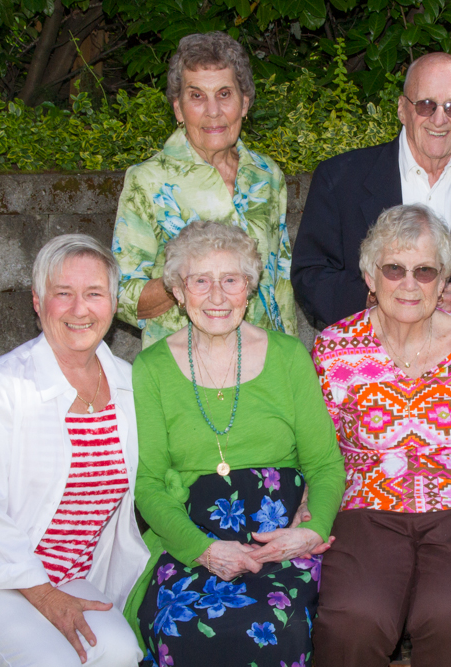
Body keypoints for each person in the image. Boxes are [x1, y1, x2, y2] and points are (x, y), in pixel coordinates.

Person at [0, 234, 150, 667]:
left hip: (70, 577)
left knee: (120, 654)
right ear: (38, 303)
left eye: (94, 294)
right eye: (64, 294)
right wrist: (41, 594)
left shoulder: (129, 385)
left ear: (113, 304)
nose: (80, 309)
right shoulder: (1, 385)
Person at [126, 221, 345, 666]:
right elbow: (147, 484)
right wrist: (203, 549)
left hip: (279, 538)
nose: (217, 296)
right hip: (189, 540)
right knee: (182, 624)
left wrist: (311, 529)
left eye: (231, 279)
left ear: (249, 287)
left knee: (271, 625)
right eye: (200, 281)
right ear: (178, 291)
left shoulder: (288, 357)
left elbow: (324, 464)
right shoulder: (150, 368)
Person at [309, 204, 451, 666]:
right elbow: (321, 451)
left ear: (444, 281)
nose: (408, 283)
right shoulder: (336, 346)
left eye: (424, 271)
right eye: (394, 269)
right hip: (366, 508)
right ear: (369, 275)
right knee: (354, 619)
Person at [291, 52, 451, 336]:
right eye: (426, 105)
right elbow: (310, 276)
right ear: (402, 109)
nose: (440, 119)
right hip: (363, 356)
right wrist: (378, 296)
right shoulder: (340, 179)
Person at [113, 31, 295, 348]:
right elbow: (121, 294)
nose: (213, 111)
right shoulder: (148, 180)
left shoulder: (267, 175)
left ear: (245, 104)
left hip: (262, 361)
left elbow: (280, 280)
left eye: (224, 94)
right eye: (197, 96)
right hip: (182, 366)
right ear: (178, 109)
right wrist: (184, 281)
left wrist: (291, 358)